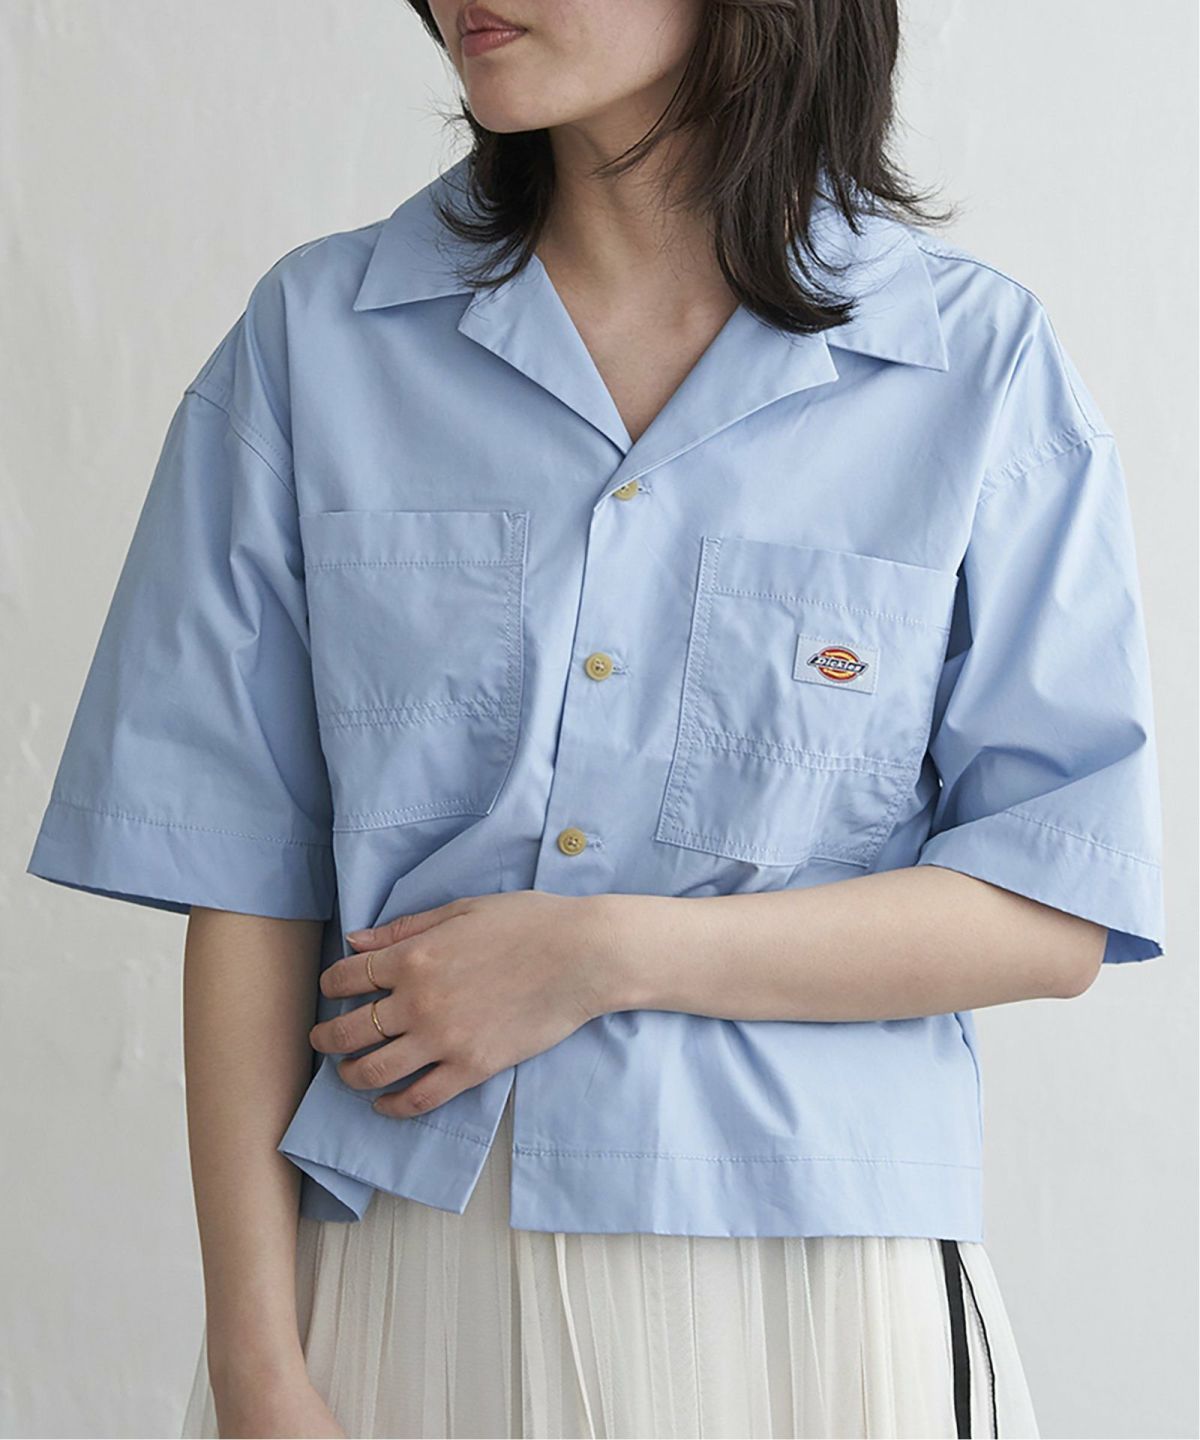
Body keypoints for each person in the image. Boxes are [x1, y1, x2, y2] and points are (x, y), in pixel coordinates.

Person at [27, 1, 1166, 1436]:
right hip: (401, 1284)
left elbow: (1053, 906)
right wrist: (259, 1367)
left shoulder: (977, 368)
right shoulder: (316, 342)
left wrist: (599, 955)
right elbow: (242, 879)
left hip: (817, 1302)